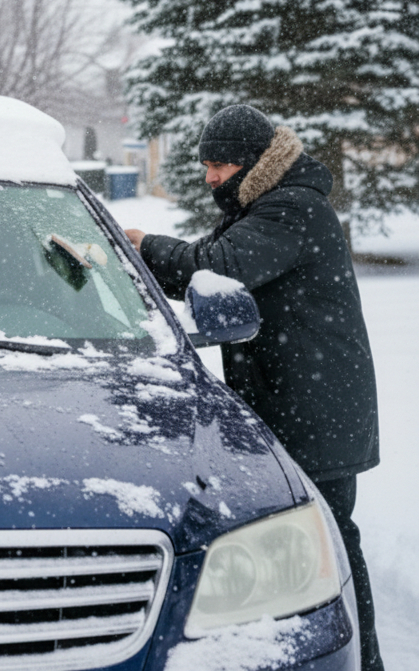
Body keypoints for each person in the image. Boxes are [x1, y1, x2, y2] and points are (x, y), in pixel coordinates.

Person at [125, 104, 383, 669]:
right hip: (298, 403)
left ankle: (363, 660)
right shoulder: (267, 203)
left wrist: (143, 246)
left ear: (254, 162)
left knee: (332, 543)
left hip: (317, 411)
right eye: (206, 165)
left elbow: (215, 266)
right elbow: (208, 275)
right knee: (312, 543)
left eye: (219, 165)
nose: (211, 176)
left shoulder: (292, 207)